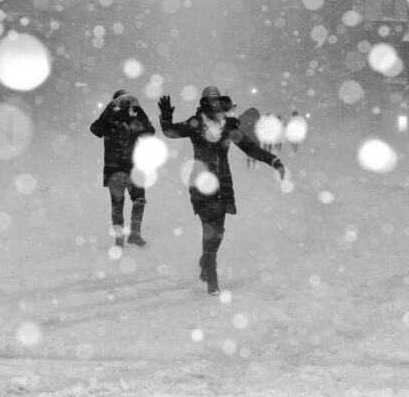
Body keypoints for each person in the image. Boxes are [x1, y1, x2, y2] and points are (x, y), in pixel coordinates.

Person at [158, 86, 286, 295]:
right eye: (210, 99)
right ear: (204, 102)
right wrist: (165, 117)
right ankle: (212, 281)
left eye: (216, 99)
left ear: (221, 102)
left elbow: (250, 148)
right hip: (200, 183)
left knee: (218, 233)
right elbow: (170, 132)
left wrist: (274, 160)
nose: (214, 102)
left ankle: (205, 263)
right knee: (210, 229)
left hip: (223, 185)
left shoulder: (228, 128)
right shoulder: (195, 123)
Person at [90, 90, 155, 247]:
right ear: (114, 103)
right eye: (121, 101)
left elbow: (149, 132)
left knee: (139, 200)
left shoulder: (133, 120)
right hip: (114, 168)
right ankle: (119, 239)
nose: (125, 104)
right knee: (117, 204)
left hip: (133, 168)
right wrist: (109, 109)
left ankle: (134, 234)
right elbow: (95, 129)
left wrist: (139, 110)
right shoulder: (109, 120)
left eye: (128, 101)